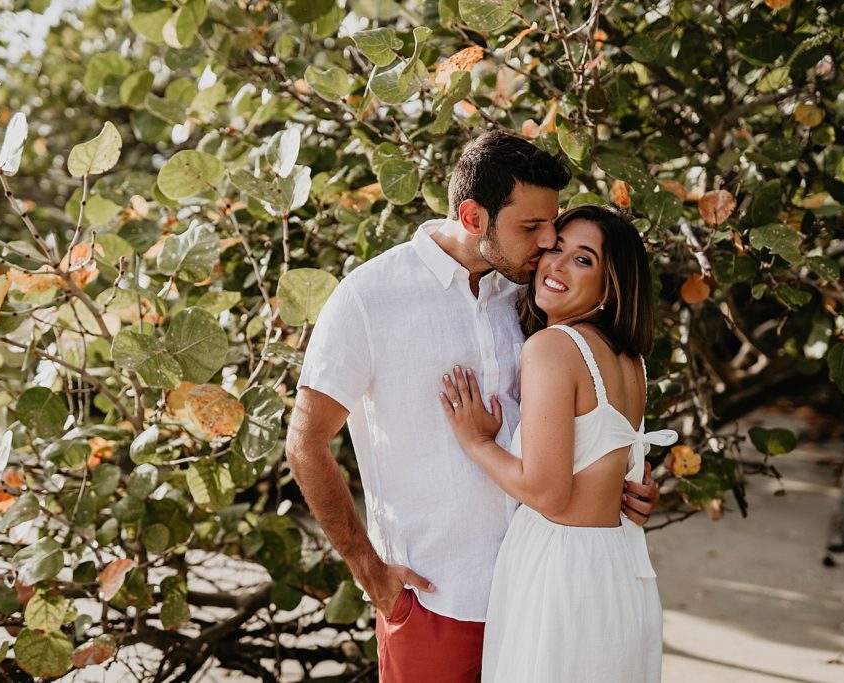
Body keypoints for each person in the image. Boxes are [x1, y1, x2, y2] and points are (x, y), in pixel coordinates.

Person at [285, 131, 660, 682]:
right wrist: (369, 570)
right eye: (531, 228)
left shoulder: (534, 293)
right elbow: (306, 442)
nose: (547, 242)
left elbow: (585, 412)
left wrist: (619, 485)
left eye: (552, 226)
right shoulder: (369, 297)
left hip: (540, 590)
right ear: (473, 216)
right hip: (437, 598)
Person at [439, 205, 676, 682]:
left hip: (560, 569)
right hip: (618, 567)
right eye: (555, 249)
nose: (556, 265)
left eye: (583, 259)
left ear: (612, 284)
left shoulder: (553, 347)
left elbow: (549, 493)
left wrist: (477, 441)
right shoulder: (631, 362)